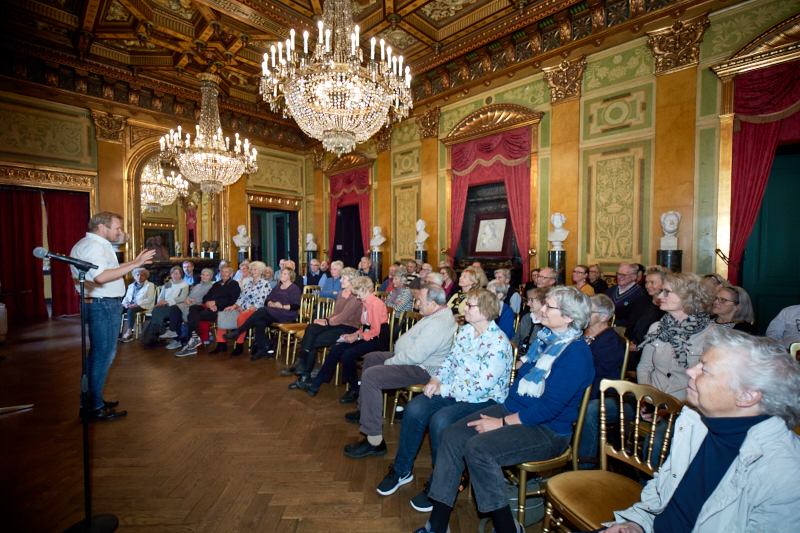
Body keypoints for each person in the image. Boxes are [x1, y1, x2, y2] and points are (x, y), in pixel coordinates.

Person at [413, 287, 594, 533]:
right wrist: (504, 414)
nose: (541, 309)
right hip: (514, 410)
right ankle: (437, 524)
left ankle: (507, 528)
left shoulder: (575, 354)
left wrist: (502, 422)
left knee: (478, 450)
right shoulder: (546, 339)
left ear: (569, 317)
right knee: (451, 435)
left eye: (548, 306)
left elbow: (549, 409)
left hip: (548, 431)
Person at [598, 328, 800, 533]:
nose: (690, 371)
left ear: (747, 396)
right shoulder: (697, 423)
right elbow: (662, 492)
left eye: (705, 369)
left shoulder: (785, 474)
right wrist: (636, 524)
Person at [376, 288, 513, 511]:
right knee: (415, 408)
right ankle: (402, 470)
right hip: (455, 391)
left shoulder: (498, 343)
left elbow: (480, 388)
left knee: (441, 421)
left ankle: (442, 484)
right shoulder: (466, 330)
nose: (464, 308)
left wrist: (443, 389)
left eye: (470, 305)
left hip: (484, 400)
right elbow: (450, 360)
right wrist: (435, 379)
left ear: (485, 310)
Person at [341, 282, 459, 459]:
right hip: (414, 361)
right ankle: (364, 410)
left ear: (433, 303)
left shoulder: (439, 323)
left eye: (420, 301)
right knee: (371, 358)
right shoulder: (436, 313)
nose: (416, 304)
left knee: (372, 376)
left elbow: (415, 356)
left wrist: (390, 362)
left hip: (424, 369)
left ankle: (374, 441)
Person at [70, 211, 156, 422]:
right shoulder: (95, 247)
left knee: (98, 355)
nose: (120, 232)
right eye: (117, 228)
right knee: (103, 355)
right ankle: (94, 407)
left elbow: (112, 270)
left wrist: (135, 262)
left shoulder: (89, 244)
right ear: (102, 227)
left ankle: (91, 401)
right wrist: (134, 265)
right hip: (103, 305)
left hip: (100, 304)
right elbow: (101, 277)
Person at [295, 276, 388, 402]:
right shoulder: (365, 302)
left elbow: (376, 330)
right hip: (368, 335)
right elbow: (366, 327)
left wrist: (356, 336)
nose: (357, 296)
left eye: (359, 293)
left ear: (366, 290)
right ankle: (316, 384)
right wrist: (353, 334)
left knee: (347, 354)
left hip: (378, 340)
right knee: (335, 349)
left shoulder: (376, 303)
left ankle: (354, 389)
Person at [283, 267, 363, 381]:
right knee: (311, 328)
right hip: (336, 324)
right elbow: (335, 313)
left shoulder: (355, 297)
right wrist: (324, 319)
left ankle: (304, 373)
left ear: (352, 281)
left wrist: (326, 322)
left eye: (343, 278)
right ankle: (301, 365)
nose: (340, 280)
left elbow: (343, 317)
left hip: (348, 328)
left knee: (312, 340)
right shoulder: (342, 293)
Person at [577, 294, 627, 466]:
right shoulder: (580, 334)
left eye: (589, 311)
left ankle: (585, 465)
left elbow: (594, 369)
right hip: (583, 389)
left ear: (604, 316)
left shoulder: (610, 340)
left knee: (590, 410)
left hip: (603, 394)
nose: (583, 314)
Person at [222, 267, 302, 361]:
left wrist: (282, 306)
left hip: (287, 314)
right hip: (274, 312)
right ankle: (261, 350)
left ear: (290, 276)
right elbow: (268, 299)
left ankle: (238, 331)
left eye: (285, 273)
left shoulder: (294, 288)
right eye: (282, 273)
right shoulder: (277, 287)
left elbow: (296, 305)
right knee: (259, 322)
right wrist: (270, 303)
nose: (282, 275)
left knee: (261, 311)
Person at [175, 265, 241, 357]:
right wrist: (208, 303)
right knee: (193, 308)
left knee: (193, 316)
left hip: (222, 308)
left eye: (226, 272)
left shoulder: (234, 284)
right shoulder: (216, 284)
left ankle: (193, 341)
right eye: (222, 272)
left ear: (231, 274)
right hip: (209, 307)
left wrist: (216, 303)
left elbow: (232, 300)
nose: (223, 274)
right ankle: (195, 338)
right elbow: (205, 297)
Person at [212, 261, 271, 356]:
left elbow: (261, 302)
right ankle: (221, 343)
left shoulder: (265, 284)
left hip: (255, 310)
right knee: (223, 314)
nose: (253, 271)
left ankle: (239, 345)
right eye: (252, 269)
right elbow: (242, 297)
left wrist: (248, 309)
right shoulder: (248, 283)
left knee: (241, 318)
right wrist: (234, 306)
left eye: (255, 269)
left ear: (261, 271)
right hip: (242, 307)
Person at [160, 269, 215, 350]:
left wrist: (192, 300)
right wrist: (187, 299)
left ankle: (178, 339)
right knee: (175, 308)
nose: (204, 276)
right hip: (189, 303)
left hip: (198, 305)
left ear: (210, 277)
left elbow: (206, 298)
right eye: (203, 274)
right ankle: (173, 331)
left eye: (207, 275)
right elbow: (190, 295)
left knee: (180, 314)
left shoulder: (212, 287)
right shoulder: (197, 286)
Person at [141, 266, 189, 347]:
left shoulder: (184, 284)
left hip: (175, 306)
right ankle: (159, 331)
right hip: (164, 305)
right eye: (174, 273)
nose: (175, 274)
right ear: (171, 274)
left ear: (181, 275)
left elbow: (182, 298)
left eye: (177, 273)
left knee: (157, 312)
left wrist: (167, 302)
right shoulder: (166, 285)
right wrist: (160, 302)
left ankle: (154, 335)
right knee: (156, 310)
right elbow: (161, 296)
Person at [625, 266, 669, 354]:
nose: (648, 286)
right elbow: (623, 313)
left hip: (653, 352)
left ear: (664, 284)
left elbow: (664, 339)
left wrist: (639, 347)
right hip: (631, 348)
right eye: (646, 282)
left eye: (653, 282)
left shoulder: (668, 309)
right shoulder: (642, 301)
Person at [120, 267, 156, 342]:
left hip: (143, 305)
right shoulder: (131, 286)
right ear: (134, 277)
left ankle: (129, 332)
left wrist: (136, 304)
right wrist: (125, 303)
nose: (139, 277)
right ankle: (117, 332)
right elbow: (126, 297)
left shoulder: (150, 285)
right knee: (118, 309)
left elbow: (149, 299)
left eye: (142, 275)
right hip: (131, 305)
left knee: (130, 310)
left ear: (145, 277)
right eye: (137, 275)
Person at [605, 263, 645, 328]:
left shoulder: (639, 293)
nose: (619, 277)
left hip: (625, 329)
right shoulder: (612, 289)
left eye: (623, 275)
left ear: (633, 277)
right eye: (618, 274)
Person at [511, 287, 548, 357]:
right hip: (519, 354)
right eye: (528, 300)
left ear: (542, 302)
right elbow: (516, 338)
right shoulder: (527, 317)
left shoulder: (547, 323)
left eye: (532, 300)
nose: (528, 304)